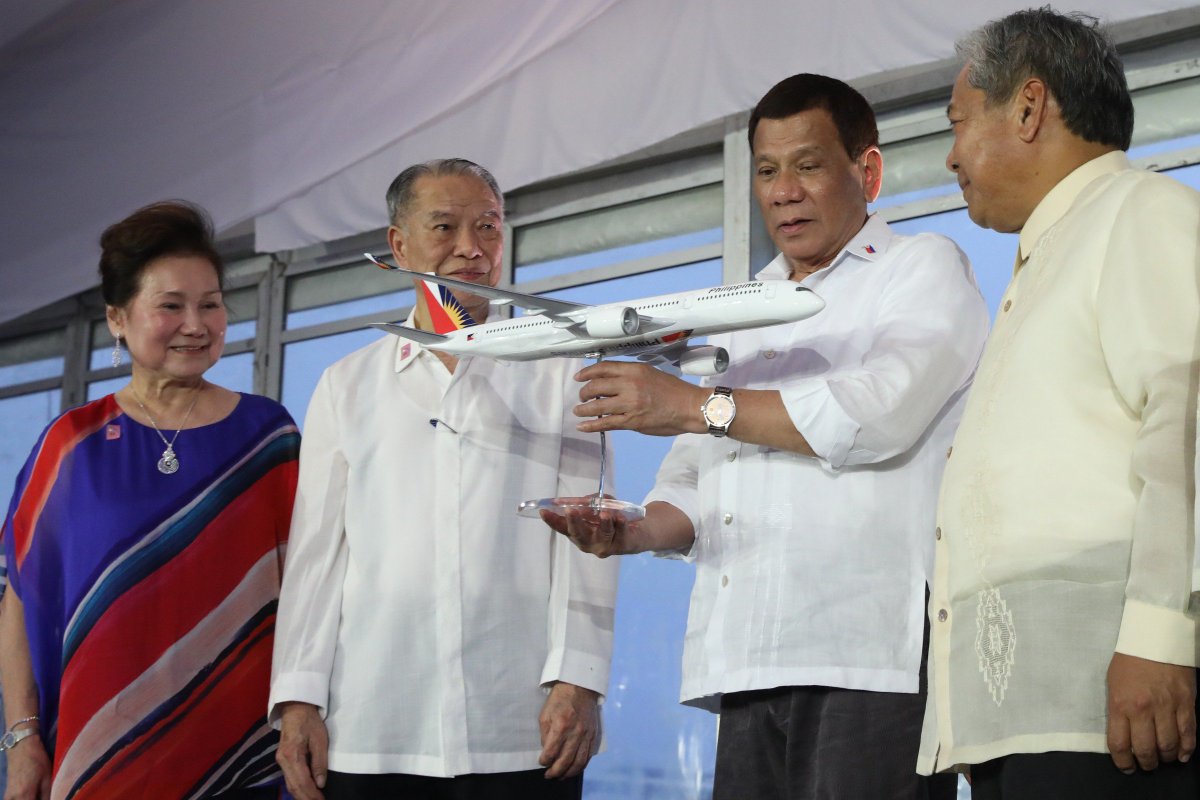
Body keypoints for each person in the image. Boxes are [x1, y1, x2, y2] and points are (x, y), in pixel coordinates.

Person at [542, 74, 987, 799]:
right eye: (768, 170)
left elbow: (875, 413)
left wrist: (696, 404)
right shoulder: (741, 307)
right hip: (747, 663)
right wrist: (629, 531)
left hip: (870, 659)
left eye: (808, 165)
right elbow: (692, 481)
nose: (784, 191)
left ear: (866, 171)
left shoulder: (923, 267)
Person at [269, 158, 619, 800]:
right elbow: (317, 557)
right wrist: (297, 699)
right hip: (374, 723)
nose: (472, 249)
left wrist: (580, 679)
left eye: (488, 226)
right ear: (399, 245)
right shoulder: (348, 383)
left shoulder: (559, 367)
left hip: (519, 720)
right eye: (445, 228)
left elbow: (589, 539)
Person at [918, 9, 1200, 799]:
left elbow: (1186, 429)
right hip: (1037, 716)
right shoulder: (1047, 255)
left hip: (1117, 711)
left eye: (958, 122)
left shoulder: (1139, 213)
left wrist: (1162, 638)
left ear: (1030, 106)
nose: (951, 155)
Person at [0, 201, 300, 799]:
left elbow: (309, 590)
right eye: (171, 306)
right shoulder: (70, 446)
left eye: (210, 304)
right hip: (98, 751)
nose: (197, 323)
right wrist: (22, 738)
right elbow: (18, 600)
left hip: (247, 749)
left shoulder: (270, 437)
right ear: (117, 318)